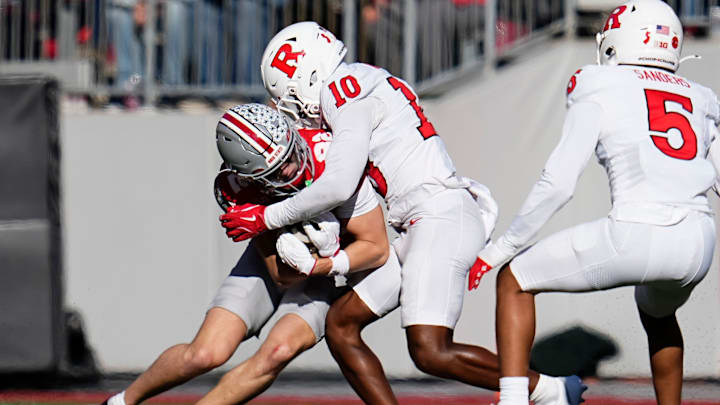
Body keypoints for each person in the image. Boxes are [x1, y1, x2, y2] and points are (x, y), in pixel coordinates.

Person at [221, 21, 585, 405]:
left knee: (430, 350)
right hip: (420, 222)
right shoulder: (361, 82)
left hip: (438, 214)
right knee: (342, 325)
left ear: (309, 76)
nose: (295, 110)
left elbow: (339, 185)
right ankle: (553, 390)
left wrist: (267, 217)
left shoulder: (342, 89)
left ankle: (548, 390)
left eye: (291, 97)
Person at [471, 1, 720, 404]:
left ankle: (514, 400)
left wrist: (500, 248)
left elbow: (558, 183)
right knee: (658, 315)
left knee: (514, 280)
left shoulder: (596, 82)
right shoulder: (701, 96)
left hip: (637, 231)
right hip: (698, 243)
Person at [102, 103, 401, 405]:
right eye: (279, 168)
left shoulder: (328, 155)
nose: (293, 167)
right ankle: (122, 401)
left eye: (291, 153)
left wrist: (323, 262)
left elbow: (376, 247)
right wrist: (300, 253)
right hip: (284, 264)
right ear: (252, 177)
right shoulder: (237, 189)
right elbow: (281, 275)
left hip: (337, 267)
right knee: (206, 353)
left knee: (278, 351)